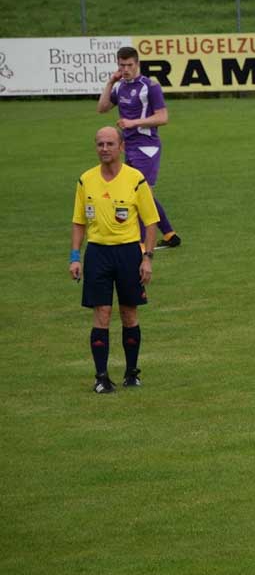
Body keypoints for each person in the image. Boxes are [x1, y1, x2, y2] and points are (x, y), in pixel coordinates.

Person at [69, 127, 159, 393]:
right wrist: (75, 257)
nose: (104, 148)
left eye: (110, 144)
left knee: (129, 313)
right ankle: (101, 377)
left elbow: (151, 222)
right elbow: (78, 222)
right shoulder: (86, 180)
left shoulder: (135, 179)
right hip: (98, 253)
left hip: (129, 253)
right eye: (100, 144)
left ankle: (132, 373)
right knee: (102, 313)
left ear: (121, 147)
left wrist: (147, 258)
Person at [97, 46, 181, 249]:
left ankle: (141, 244)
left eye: (129, 65)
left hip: (147, 147)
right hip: (129, 148)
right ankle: (169, 234)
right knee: (145, 194)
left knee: (138, 194)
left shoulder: (150, 86)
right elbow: (102, 108)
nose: (125, 69)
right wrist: (110, 82)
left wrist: (133, 123)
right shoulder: (120, 87)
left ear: (137, 64)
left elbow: (163, 117)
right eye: (122, 65)